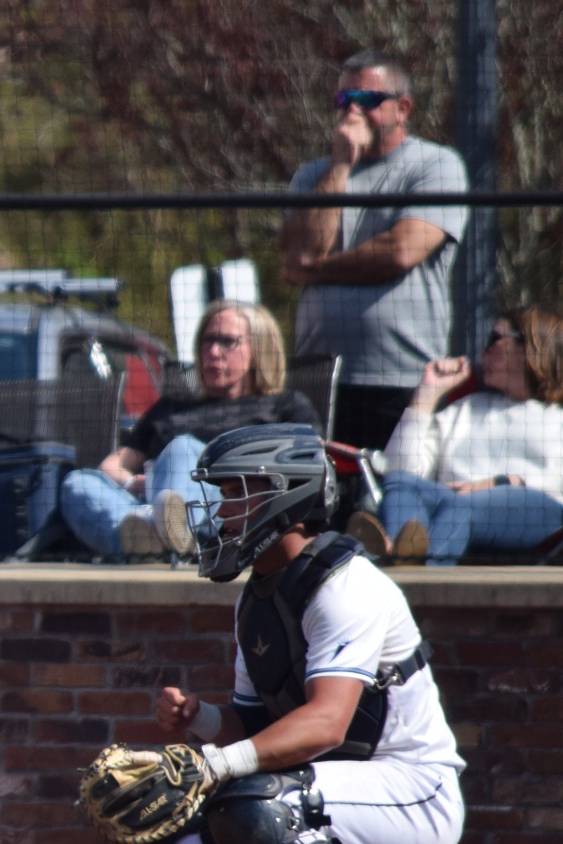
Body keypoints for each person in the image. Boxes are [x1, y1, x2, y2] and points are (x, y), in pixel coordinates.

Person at [121, 423, 464, 844]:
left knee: (249, 807)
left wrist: (212, 766)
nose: (220, 511)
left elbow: (326, 724)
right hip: (332, 792)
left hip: (413, 794)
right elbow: (255, 726)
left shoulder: (344, 586)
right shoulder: (259, 595)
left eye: (233, 493)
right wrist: (199, 721)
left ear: (282, 494)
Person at [278, 49, 469, 452]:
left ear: (402, 108)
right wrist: (341, 166)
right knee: (319, 501)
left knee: (396, 494)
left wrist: (314, 269)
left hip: (401, 379)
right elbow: (299, 252)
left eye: (366, 100)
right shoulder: (315, 175)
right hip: (319, 378)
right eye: (343, 101)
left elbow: (400, 251)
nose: (352, 111)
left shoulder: (435, 165)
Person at [58, 301, 319, 559]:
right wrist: (135, 483)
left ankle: (164, 536)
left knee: (181, 448)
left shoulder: (284, 406)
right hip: (151, 503)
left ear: (259, 350)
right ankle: (154, 535)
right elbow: (112, 465)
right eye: (207, 341)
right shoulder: (172, 407)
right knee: (77, 483)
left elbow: (310, 466)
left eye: (227, 342)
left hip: (231, 508)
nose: (213, 351)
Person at [345, 307, 563, 564]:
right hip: (452, 500)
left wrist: (501, 483)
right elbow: (399, 469)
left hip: (539, 512)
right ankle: (402, 556)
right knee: (403, 485)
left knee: (460, 508)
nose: (482, 352)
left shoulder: (556, 418)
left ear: (530, 347)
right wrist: (426, 395)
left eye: (493, 339)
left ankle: (419, 570)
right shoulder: (464, 409)